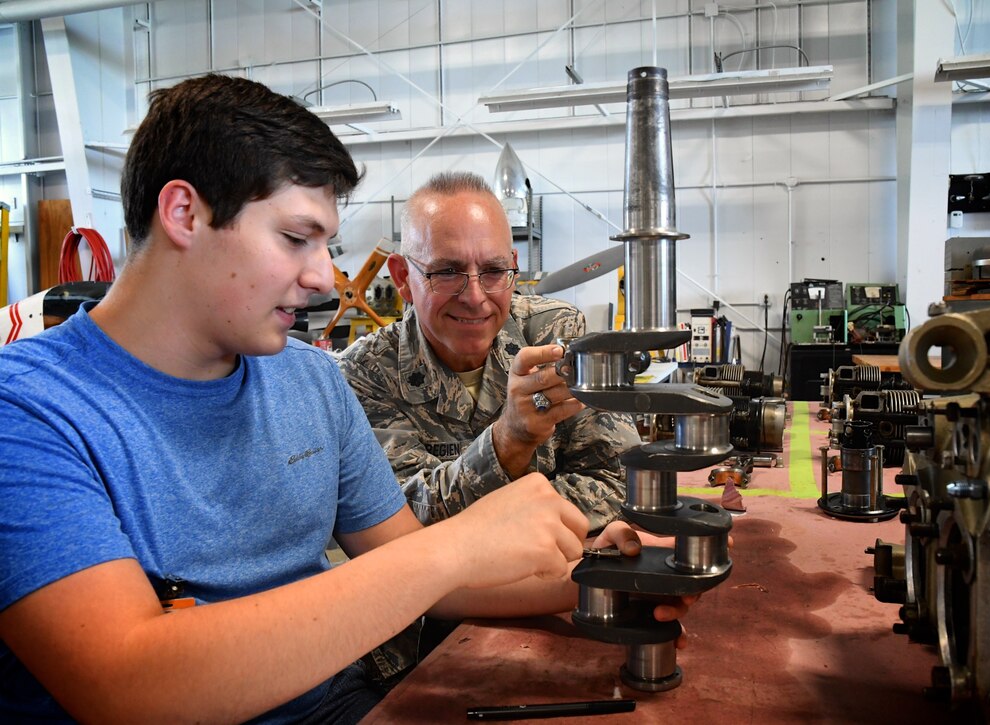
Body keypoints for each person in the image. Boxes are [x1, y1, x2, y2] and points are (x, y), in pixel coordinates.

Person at [0, 74, 691, 724]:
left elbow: (416, 575)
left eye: (326, 243)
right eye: (297, 238)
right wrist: (455, 546)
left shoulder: (310, 380)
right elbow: (127, 682)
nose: (326, 280)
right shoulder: (30, 410)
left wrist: (594, 583)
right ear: (185, 212)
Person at [338, 172, 643, 534]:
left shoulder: (554, 333)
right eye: (447, 271)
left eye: (494, 270)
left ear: (512, 266)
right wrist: (507, 443)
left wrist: (493, 525)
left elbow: (620, 478)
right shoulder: (363, 374)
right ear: (403, 277)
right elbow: (399, 523)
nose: (474, 297)